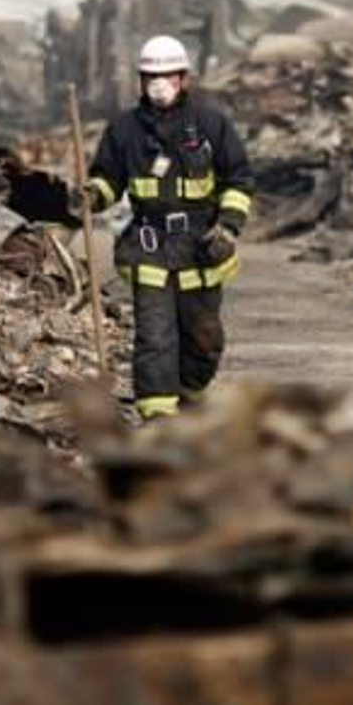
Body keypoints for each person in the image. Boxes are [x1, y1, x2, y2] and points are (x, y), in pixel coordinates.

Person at [82, 35, 254, 419]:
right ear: (140, 80)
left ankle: (190, 395)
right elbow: (108, 179)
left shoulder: (211, 124)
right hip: (149, 245)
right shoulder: (124, 130)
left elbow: (239, 180)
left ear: (183, 78)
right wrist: (92, 194)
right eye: (150, 76)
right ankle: (159, 418)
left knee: (204, 341)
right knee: (155, 338)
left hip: (201, 245)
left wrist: (228, 228)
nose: (158, 84)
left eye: (167, 76)